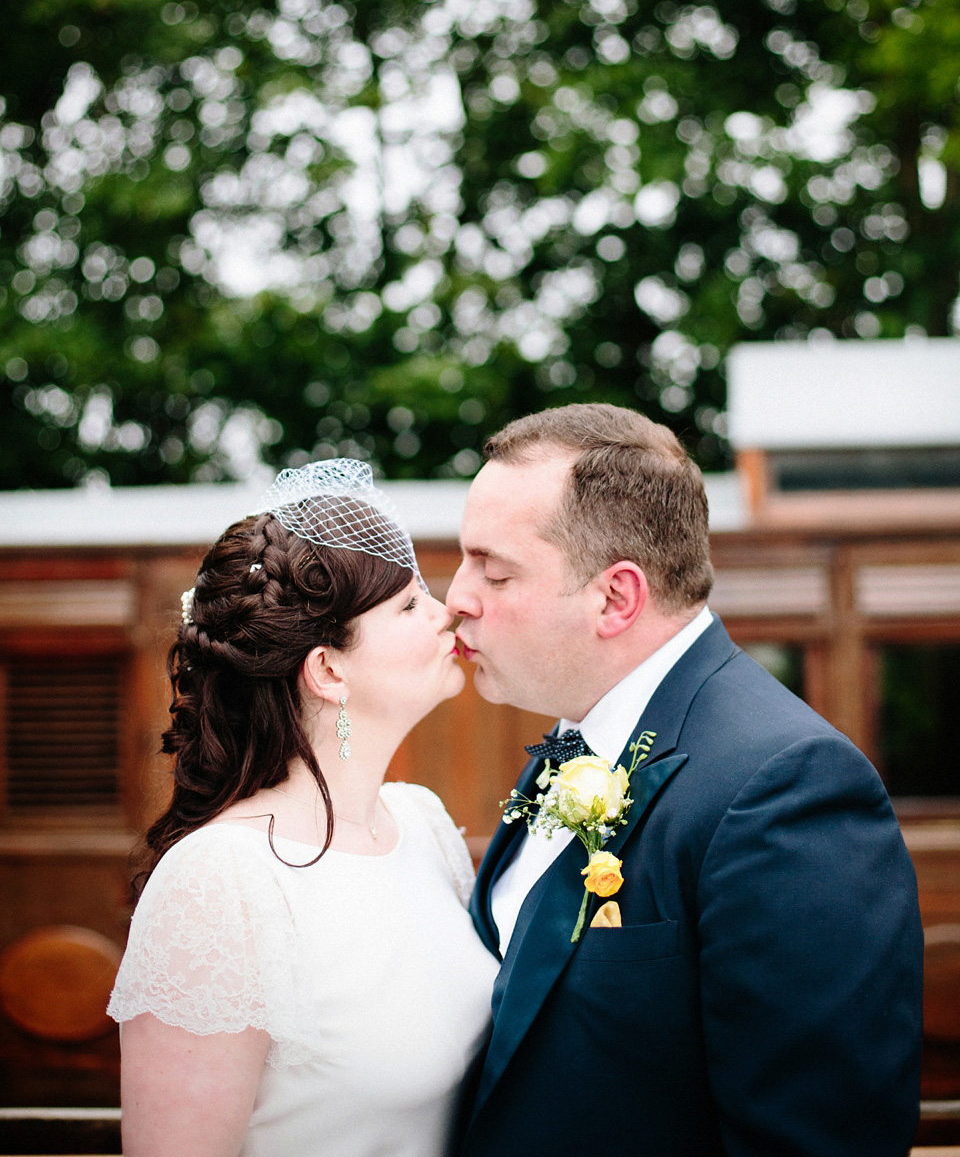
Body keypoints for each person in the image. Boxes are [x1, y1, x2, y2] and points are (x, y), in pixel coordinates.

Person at [446, 403, 923, 1157]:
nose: (457, 600)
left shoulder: (787, 789)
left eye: (493, 570)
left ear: (615, 597)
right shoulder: (570, 746)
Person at [108, 458, 498, 1157]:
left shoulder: (420, 824)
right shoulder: (219, 882)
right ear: (328, 670)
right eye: (411, 605)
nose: (451, 613)